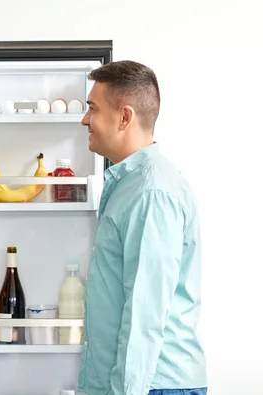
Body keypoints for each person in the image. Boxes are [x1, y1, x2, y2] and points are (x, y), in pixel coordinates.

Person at [78, 60, 208, 395]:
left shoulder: (151, 193)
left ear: (124, 117)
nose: (84, 120)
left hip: (152, 385)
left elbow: (145, 312)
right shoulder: (129, 185)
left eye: (92, 109)